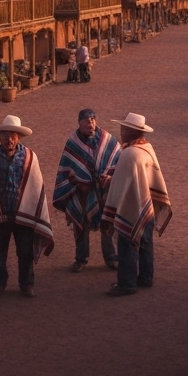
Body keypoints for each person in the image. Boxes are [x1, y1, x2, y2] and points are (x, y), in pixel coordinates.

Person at [0, 116, 54, 299]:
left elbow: (36, 186)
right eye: (6, 135)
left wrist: (29, 207)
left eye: (13, 136)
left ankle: (27, 284)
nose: (10, 140)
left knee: (25, 251)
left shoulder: (30, 157)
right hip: (0, 214)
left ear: (19, 137)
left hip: (24, 214)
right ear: (0, 137)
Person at [101, 113, 172, 297]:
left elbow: (122, 183)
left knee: (127, 242)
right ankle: (146, 278)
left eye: (124, 129)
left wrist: (109, 182)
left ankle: (126, 283)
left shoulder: (129, 153)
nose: (121, 132)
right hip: (147, 204)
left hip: (132, 207)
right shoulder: (147, 148)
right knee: (146, 242)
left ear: (132, 132)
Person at [54, 108, 122, 272]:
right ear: (79, 123)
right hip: (82, 193)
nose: (90, 123)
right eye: (86, 120)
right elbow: (67, 167)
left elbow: (118, 160)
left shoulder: (107, 140)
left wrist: (109, 178)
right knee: (81, 224)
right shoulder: (73, 142)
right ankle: (81, 259)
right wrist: (78, 182)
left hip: (104, 192)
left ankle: (111, 258)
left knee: (107, 222)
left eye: (92, 119)